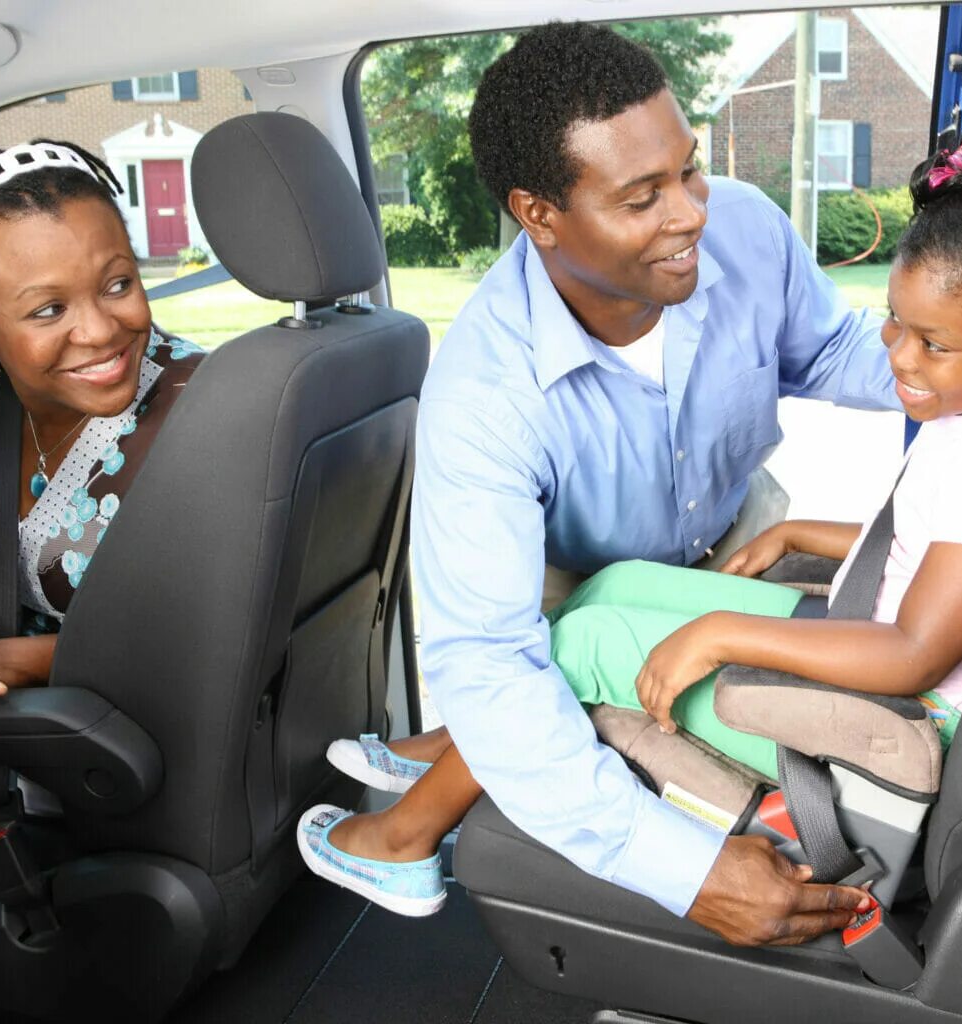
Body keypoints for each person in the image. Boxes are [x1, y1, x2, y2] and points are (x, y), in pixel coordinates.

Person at [300, 116, 962, 939]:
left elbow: (914, 651)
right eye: (894, 324)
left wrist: (723, 633)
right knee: (609, 588)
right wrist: (804, 530)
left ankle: (404, 840)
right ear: (539, 213)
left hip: (887, 731)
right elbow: (928, 546)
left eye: (931, 343)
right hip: (869, 648)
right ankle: (459, 744)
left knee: (579, 650)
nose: (898, 357)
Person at [308, 21, 906, 943]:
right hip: (559, 584)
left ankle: (426, 774)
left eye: (689, 171)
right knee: (541, 665)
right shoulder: (485, 394)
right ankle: (420, 802)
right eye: (643, 197)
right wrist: (686, 870)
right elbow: (489, 658)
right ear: (539, 213)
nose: (693, 213)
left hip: (736, 542)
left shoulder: (742, 226)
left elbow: (829, 347)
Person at [0, 140, 206, 749]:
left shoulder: (205, 405)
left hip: (142, 753)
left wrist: (8, 661)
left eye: (118, 283)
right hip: (7, 751)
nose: (98, 330)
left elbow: (211, 630)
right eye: (48, 309)